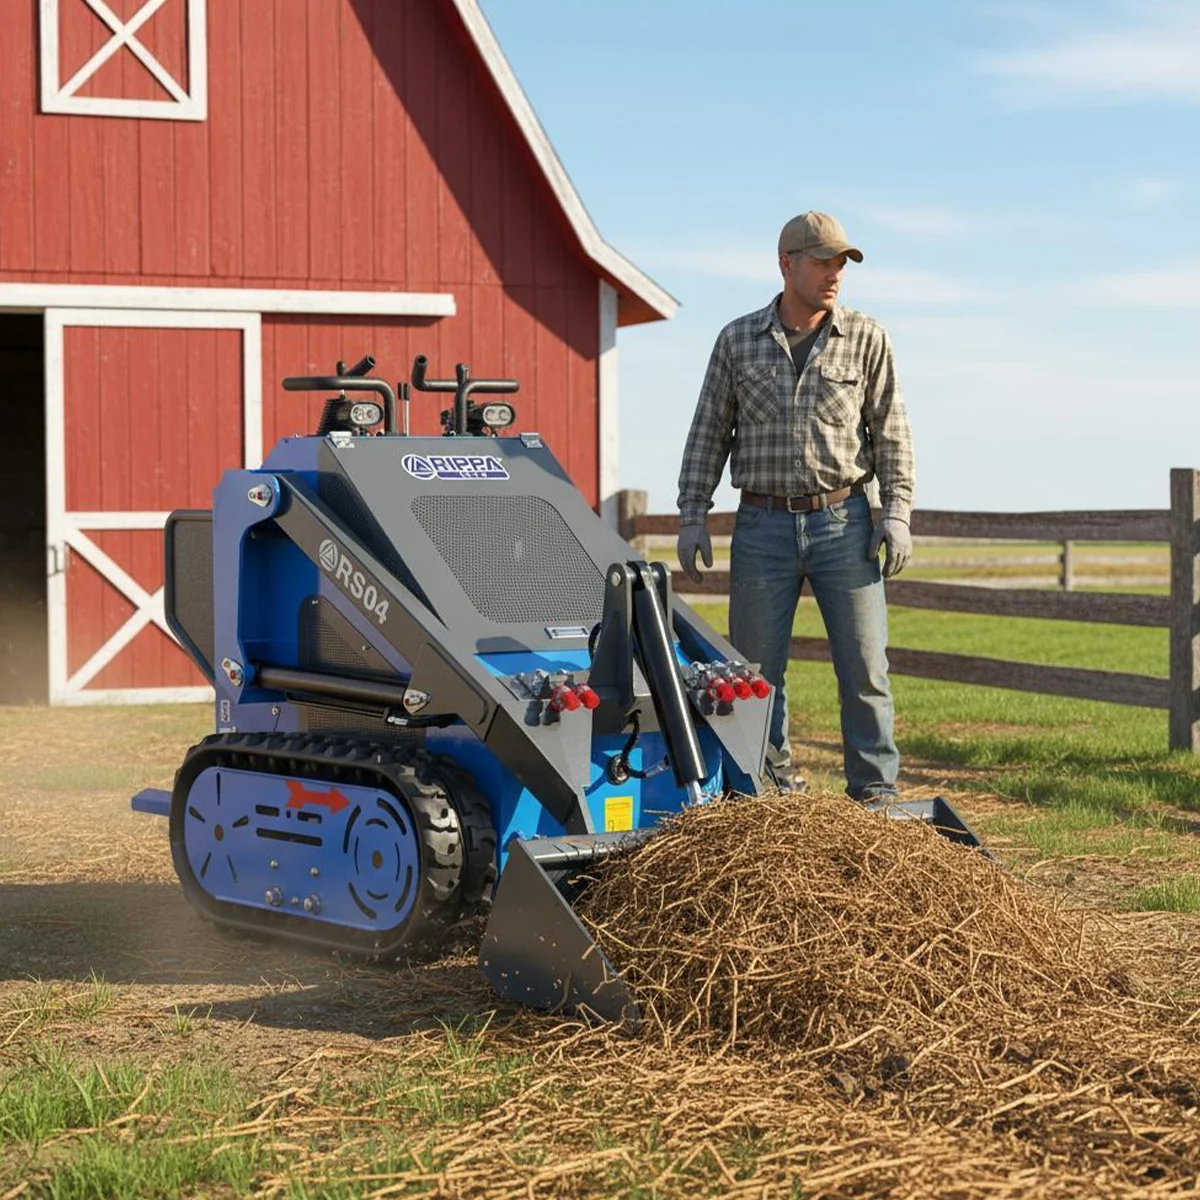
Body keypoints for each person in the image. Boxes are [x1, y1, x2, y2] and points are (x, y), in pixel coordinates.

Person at [675, 211, 914, 800]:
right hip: (762, 527)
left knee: (865, 669)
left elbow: (892, 433)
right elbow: (708, 432)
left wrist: (897, 513)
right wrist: (692, 513)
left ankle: (875, 794)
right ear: (787, 263)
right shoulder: (737, 341)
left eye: (841, 263)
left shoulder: (868, 338)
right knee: (756, 675)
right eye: (823, 261)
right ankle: (768, 789)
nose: (835, 274)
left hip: (845, 524)